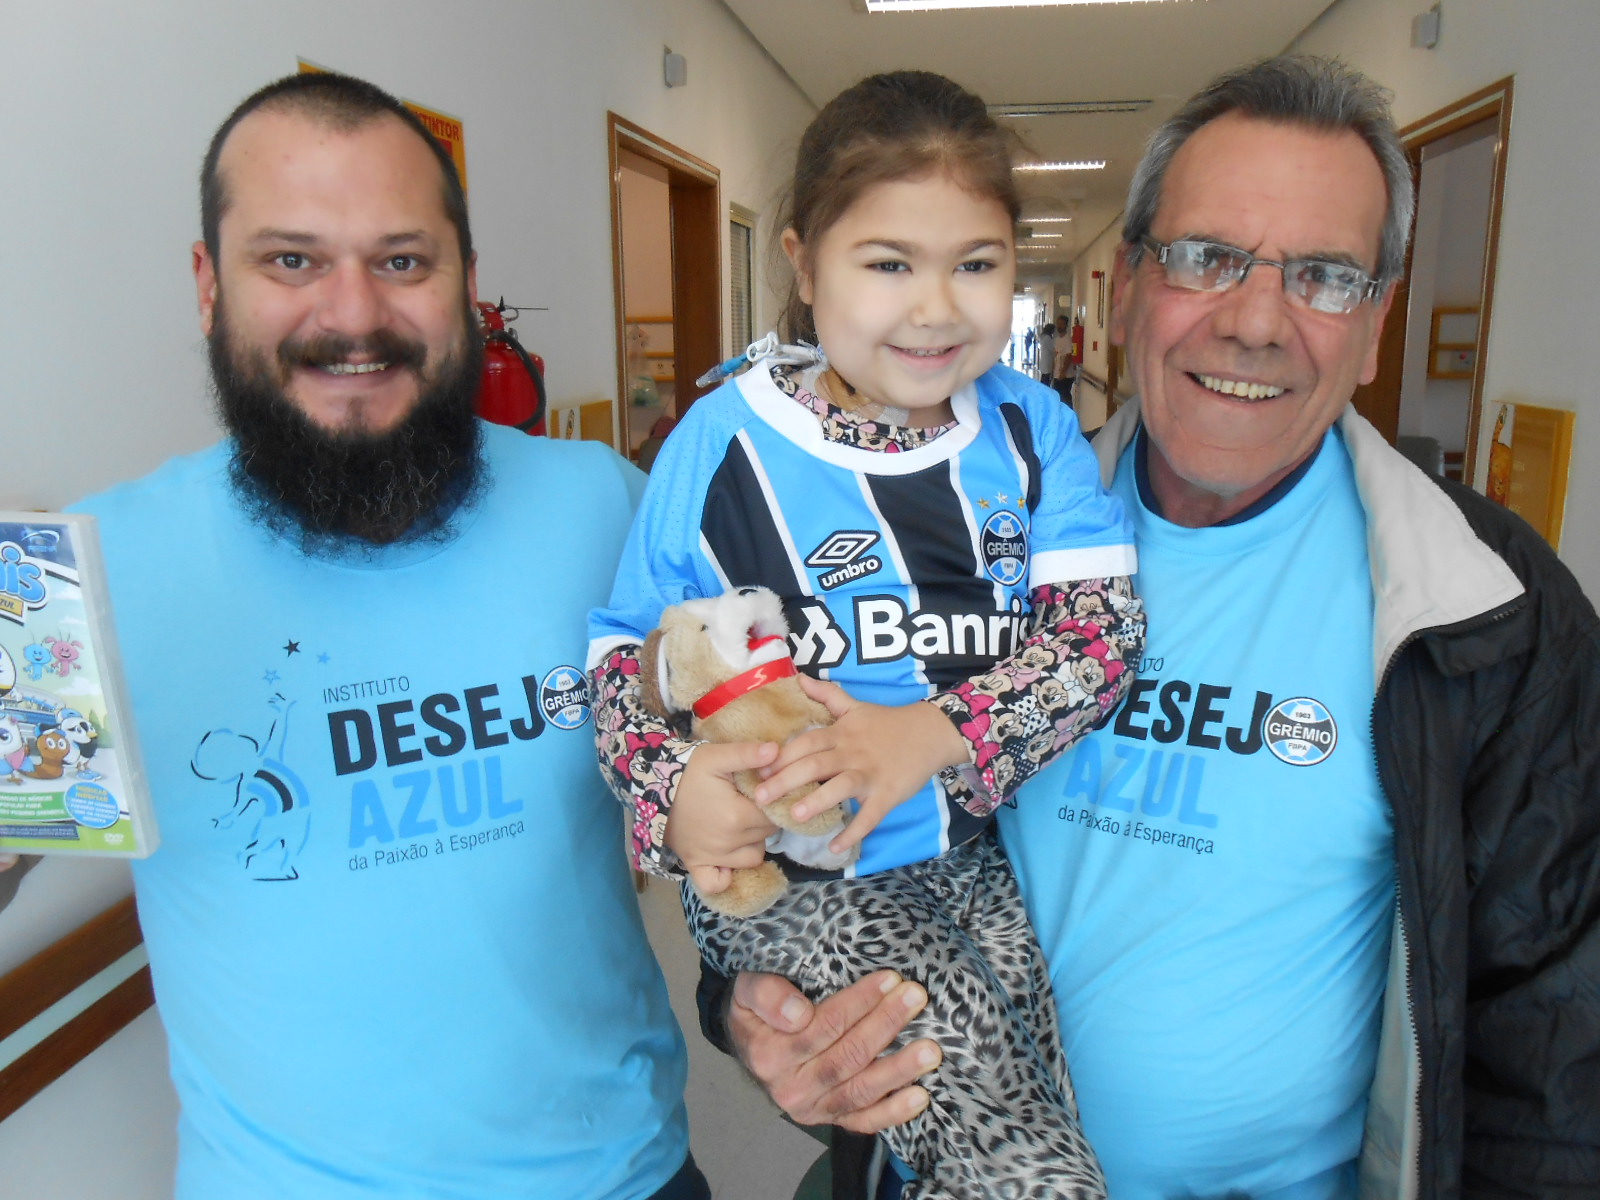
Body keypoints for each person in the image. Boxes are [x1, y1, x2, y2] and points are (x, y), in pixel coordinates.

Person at [707, 55, 1600, 1200]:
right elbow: (770, 816)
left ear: (1374, 326)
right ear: (1126, 285)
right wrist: (753, 1007)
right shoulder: (950, 543)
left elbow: (1554, 1045)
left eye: (1325, 276)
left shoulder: (1482, 606)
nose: (1257, 321)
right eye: (1205, 258)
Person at [63, 71, 705, 1200]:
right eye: (292, 260)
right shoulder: (88, 578)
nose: (352, 316)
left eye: (402, 261)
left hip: (622, 1177)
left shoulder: (607, 509)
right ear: (208, 284)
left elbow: (728, 797)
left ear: (465, 277)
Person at [588, 71, 1144, 1200]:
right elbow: (614, 671)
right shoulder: (721, 443)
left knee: (1039, 1057)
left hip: (972, 846)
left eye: (975, 264)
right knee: (993, 1129)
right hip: (802, 875)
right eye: (887, 263)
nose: (936, 308)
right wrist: (671, 792)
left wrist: (924, 738)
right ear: (801, 261)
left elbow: (1099, 641)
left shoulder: (1031, 427)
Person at [1050, 314, 1074, 404]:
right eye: (1058, 324)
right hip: (1057, 374)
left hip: (1066, 375)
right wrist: (1053, 371)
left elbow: (1069, 356)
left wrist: (1063, 372)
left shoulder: (1068, 339)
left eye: (1062, 324)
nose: (1059, 326)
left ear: (1066, 325)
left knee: (1065, 397)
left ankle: (1069, 416)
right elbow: (1055, 356)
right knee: (1057, 397)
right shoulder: (1056, 339)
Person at [1035, 315, 1057, 388]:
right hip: (1047, 360)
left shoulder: (1043, 336)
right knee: (1046, 379)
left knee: (1044, 377)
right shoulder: (1047, 338)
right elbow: (1051, 349)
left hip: (1045, 360)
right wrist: (1056, 352)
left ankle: (1042, 390)